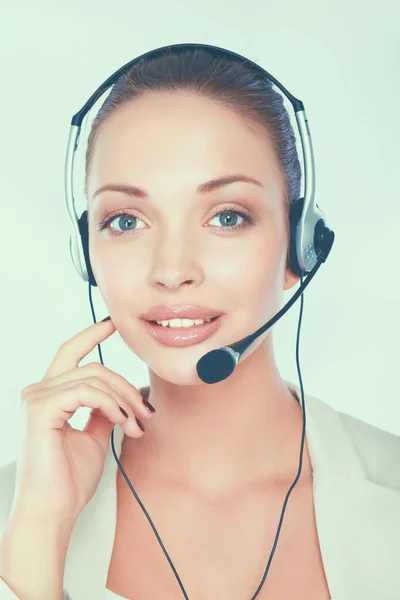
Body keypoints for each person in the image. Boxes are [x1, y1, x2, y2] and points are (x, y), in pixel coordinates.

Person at [0, 45, 399, 600]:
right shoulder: (15, 513)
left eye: (227, 216)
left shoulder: (393, 490)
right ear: (87, 254)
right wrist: (36, 542)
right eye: (125, 220)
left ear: (302, 247)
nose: (172, 270)